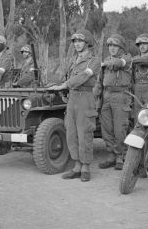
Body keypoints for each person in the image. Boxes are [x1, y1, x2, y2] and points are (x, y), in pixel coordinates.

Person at [49, 30, 101, 182]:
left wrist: (65, 85)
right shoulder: (73, 60)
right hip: (72, 98)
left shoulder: (94, 61)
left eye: (80, 41)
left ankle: (85, 166)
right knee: (71, 133)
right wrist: (58, 85)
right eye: (75, 41)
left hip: (86, 98)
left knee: (84, 133)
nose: (77, 44)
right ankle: (77, 165)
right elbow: (66, 76)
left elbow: (84, 76)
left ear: (87, 43)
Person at [95, 34, 133, 170]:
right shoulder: (105, 61)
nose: (111, 48)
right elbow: (99, 82)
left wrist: (105, 63)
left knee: (120, 128)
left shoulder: (127, 59)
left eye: (115, 46)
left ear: (121, 47)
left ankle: (120, 156)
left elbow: (119, 63)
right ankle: (111, 155)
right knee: (106, 128)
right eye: (110, 46)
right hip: (106, 95)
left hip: (121, 95)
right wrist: (96, 98)